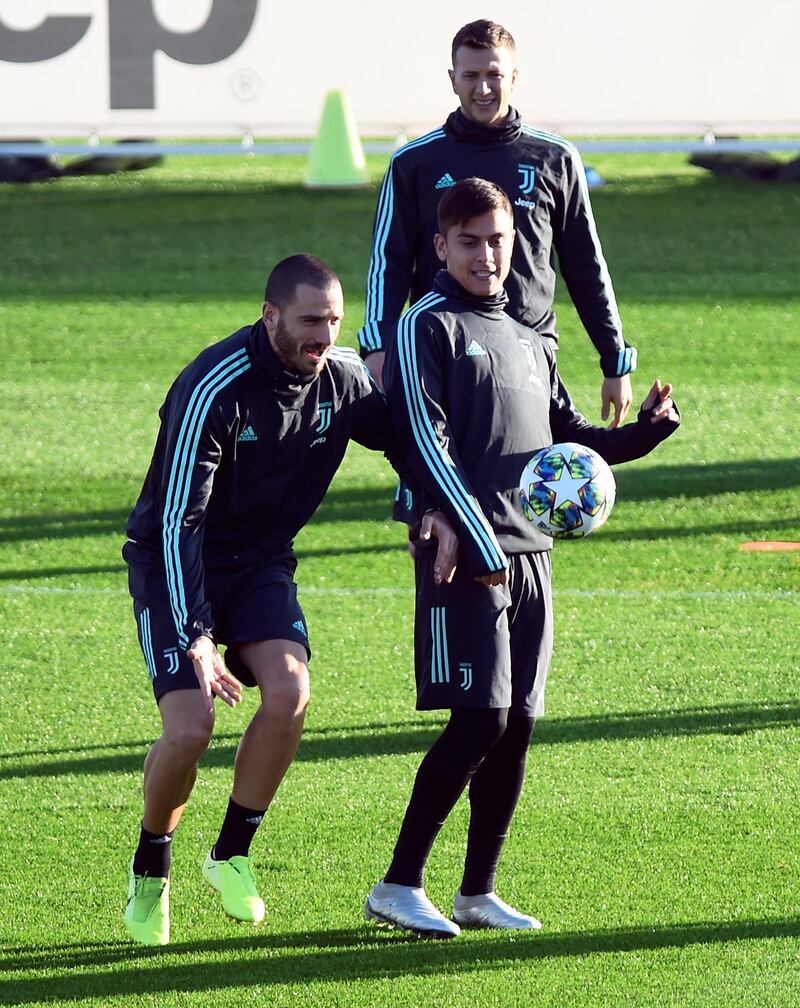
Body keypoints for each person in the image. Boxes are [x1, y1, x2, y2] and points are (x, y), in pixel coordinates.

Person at [364, 178, 680, 937]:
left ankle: (477, 889)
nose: (485, 254)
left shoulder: (532, 332)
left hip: (531, 552)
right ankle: (399, 882)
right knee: (480, 719)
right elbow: (424, 442)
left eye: (497, 239)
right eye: (468, 240)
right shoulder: (426, 326)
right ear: (441, 245)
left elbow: (565, 432)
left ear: (514, 243)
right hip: (464, 554)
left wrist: (642, 435)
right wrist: (473, 534)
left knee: (519, 723)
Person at [122, 254, 457, 946]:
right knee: (189, 729)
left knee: (290, 691)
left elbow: (409, 442)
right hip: (175, 564)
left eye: (333, 321)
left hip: (261, 563)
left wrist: (435, 507)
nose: (323, 337)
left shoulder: (341, 380)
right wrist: (197, 633)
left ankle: (231, 854)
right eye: (310, 321)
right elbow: (178, 517)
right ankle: (152, 865)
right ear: (269, 313)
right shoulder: (213, 386)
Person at [359, 18, 636, 428]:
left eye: (495, 75)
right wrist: (378, 345)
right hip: (442, 351)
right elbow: (390, 261)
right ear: (453, 79)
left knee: (522, 474)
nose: (483, 88)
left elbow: (585, 265)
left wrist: (615, 360)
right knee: (434, 470)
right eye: (471, 75)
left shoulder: (555, 159)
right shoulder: (414, 162)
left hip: (530, 351)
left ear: (515, 77)